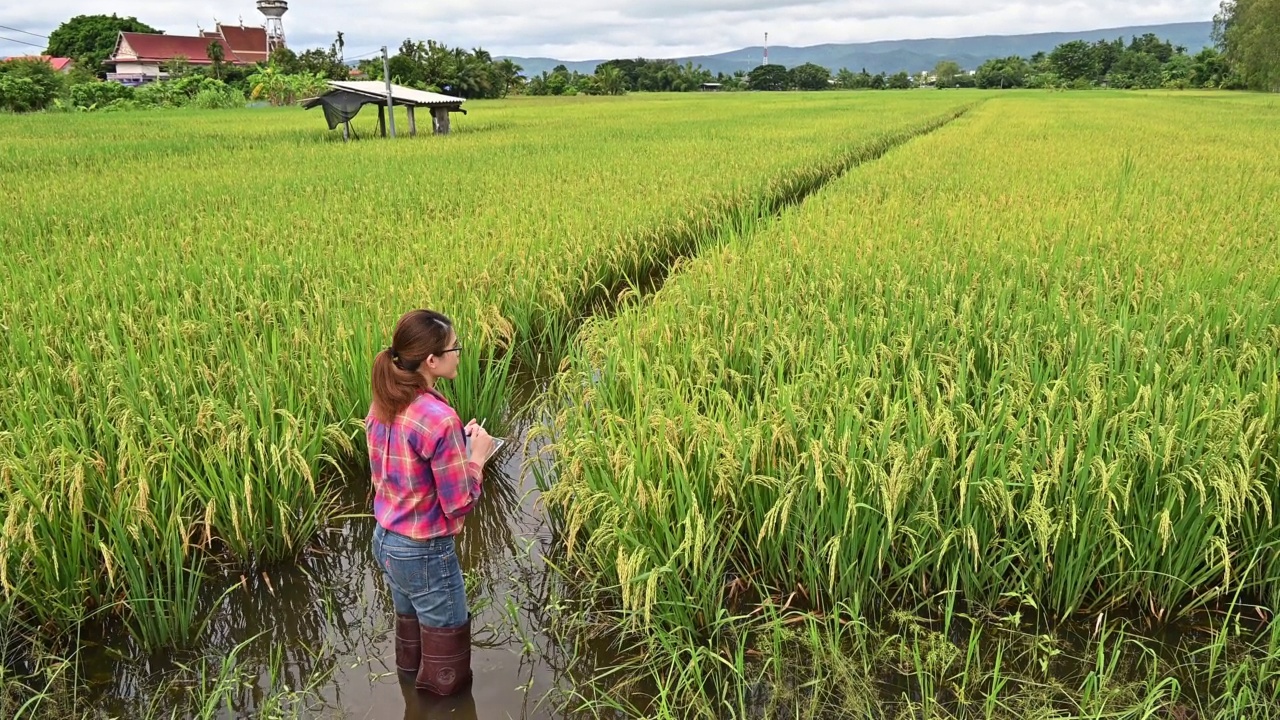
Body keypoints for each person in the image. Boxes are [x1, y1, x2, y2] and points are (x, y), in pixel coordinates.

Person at [366, 309, 496, 695]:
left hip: (386, 541)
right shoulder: (439, 419)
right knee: (447, 669)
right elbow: (458, 504)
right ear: (432, 361)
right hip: (424, 551)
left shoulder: (383, 403)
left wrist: (460, 443)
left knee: (412, 641)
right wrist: (477, 457)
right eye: (455, 346)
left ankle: (410, 698)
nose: (460, 352)